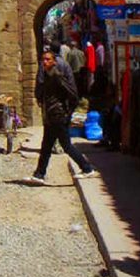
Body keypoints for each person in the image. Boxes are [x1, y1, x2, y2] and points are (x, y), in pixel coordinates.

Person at [26, 49, 96, 185]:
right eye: (43, 60)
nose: (45, 62)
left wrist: (67, 112)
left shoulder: (56, 76)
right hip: (51, 115)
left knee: (66, 145)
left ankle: (87, 168)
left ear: (54, 61)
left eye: (48, 59)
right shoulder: (46, 75)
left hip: (58, 115)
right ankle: (39, 174)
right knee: (46, 146)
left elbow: (73, 94)